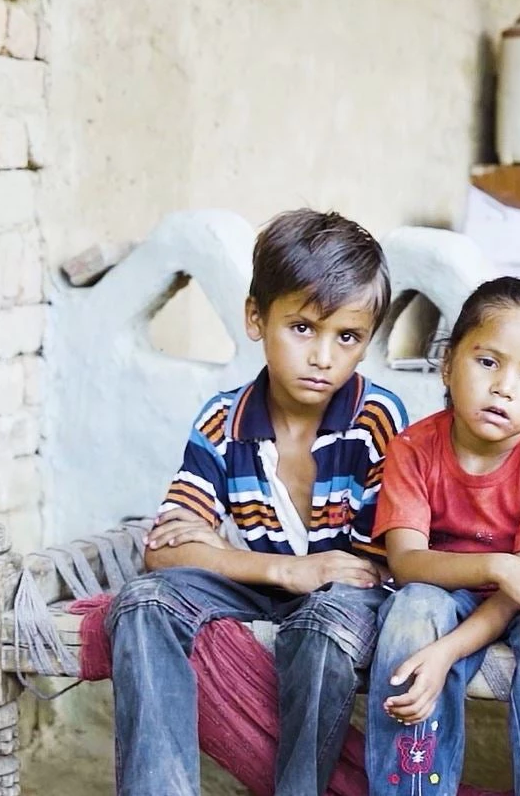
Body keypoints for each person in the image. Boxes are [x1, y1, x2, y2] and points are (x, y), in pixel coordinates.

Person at [107, 209, 406, 795]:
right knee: (145, 602)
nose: (323, 357)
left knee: (323, 626)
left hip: (348, 600)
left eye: (346, 337)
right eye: (301, 328)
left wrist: (221, 550)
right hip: (263, 584)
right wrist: (282, 570)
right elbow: (166, 553)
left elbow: (377, 566)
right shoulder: (222, 420)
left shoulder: (376, 420)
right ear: (255, 317)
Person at [364, 276, 520, 796]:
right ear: (449, 363)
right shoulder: (412, 448)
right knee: (411, 612)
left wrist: (449, 651)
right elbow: (407, 562)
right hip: (440, 591)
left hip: (518, 605)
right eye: (488, 362)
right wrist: (499, 565)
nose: (504, 388)